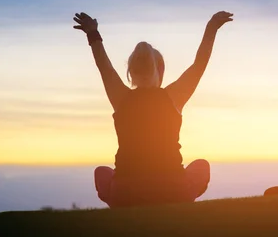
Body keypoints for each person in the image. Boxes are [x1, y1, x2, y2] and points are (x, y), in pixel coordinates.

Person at [73, 10, 233, 207]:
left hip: (126, 191)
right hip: (173, 189)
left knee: (102, 172)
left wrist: (93, 34)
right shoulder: (174, 96)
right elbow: (199, 65)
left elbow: (103, 66)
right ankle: (179, 202)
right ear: (160, 70)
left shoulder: (120, 97)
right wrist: (211, 28)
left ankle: (126, 204)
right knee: (201, 166)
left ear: (130, 72)